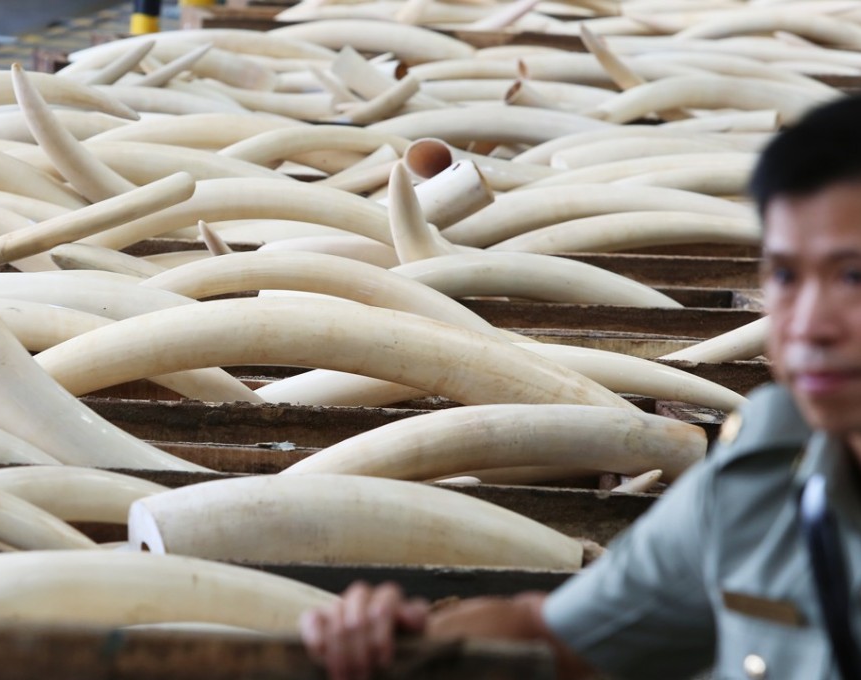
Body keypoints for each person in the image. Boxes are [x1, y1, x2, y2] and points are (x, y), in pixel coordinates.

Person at [300, 93, 861, 680]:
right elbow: (559, 639)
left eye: (852, 275)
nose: (808, 325)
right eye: (786, 275)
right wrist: (409, 644)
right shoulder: (760, 494)